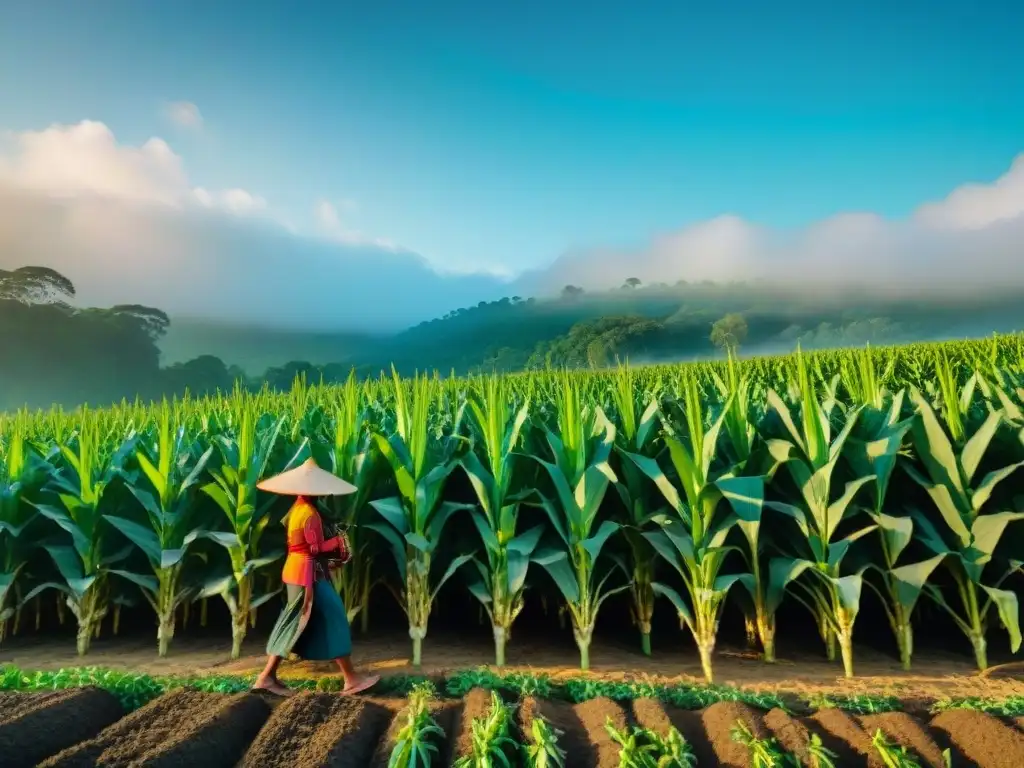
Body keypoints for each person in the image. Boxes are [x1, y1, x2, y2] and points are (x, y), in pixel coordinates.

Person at [252, 457, 380, 697]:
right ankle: (351, 679)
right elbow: (314, 548)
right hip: (308, 574)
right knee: (334, 617)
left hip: (296, 570)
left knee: (294, 622)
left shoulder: (296, 509)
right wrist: (339, 540)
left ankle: (267, 676)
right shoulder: (309, 513)